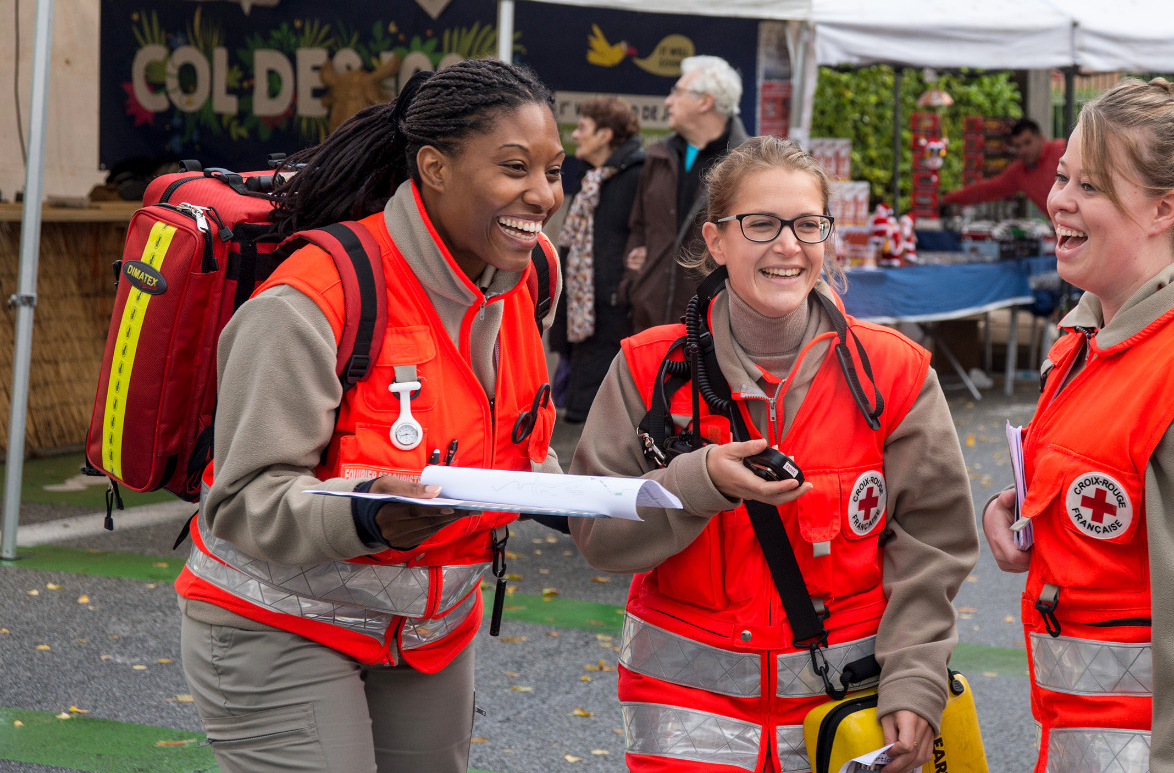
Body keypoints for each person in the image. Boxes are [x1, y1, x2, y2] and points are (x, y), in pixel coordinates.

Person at [174, 59, 566, 773]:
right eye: (515, 168)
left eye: (554, 170)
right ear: (435, 168)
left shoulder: (530, 276)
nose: (543, 196)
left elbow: (518, 436)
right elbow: (239, 500)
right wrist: (364, 517)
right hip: (276, 627)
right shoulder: (313, 299)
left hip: (428, 634)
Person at [572, 136, 978, 773]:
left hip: (847, 718)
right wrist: (697, 482)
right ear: (716, 241)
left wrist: (917, 677)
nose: (788, 246)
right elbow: (598, 535)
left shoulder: (893, 373)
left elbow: (933, 543)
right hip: (686, 718)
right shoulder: (647, 369)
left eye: (807, 224)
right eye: (760, 225)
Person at [983, 78, 1174, 773]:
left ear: (1164, 209)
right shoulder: (1089, 336)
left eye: (1090, 186)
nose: (1058, 200)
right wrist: (1021, 511)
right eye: (1063, 176)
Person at [621, 55, 748, 329]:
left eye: (677, 93)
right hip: (649, 321)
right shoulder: (658, 156)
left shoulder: (748, 165)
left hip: (714, 328)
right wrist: (635, 274)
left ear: (705, 101)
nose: (668, 101)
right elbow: (639, 227)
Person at [553, 97, 646, 422]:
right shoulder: (594, 177)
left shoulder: (638, 176)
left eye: (583, 128)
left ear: (605, 135)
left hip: (614, 310)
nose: (575, 135)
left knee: (599, 417)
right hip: (585, 309)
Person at [941, 116, 1065, 217]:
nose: (1023, 150)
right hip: (1065, 228)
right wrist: (946, 199)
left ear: (1040, 138)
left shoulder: (1062, 149)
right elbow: (985, 190)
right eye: (1017, 146)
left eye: (1027, 142)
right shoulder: (1019, 172)